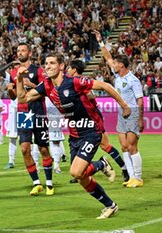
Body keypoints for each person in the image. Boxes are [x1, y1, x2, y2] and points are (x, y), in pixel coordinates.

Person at [17, 52, 131, 219]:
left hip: (91, 130)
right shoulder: (46, 85)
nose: (47, 66)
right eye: (46, 63)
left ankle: (100, 165)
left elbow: (105, 86)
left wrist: (124, 105)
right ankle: (110, 204)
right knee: (81, 177)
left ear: (61, 66)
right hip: (75, 134)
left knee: (76, 172)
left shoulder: (74, 82)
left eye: (52, 63)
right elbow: (22, 99)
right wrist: (19, 79)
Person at [95, 30, 144, 188]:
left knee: (132, 146)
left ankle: (138, 177)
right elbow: (107, 57)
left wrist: (141, 119)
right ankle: (130, 177)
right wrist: (100, 41)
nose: (112, 65)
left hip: (132, 112)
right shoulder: (118, 76)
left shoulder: (133, 80)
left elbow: (140, 101)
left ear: (121, 65)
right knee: (123, 146)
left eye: (115, 64)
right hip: (121, 113)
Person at [67, 59, 129, 184]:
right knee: (79, 145)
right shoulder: (70, 82)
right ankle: (80, 171)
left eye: (69, 68)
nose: (67, 70)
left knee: (105, 145)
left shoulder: (81, 82)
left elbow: (91, 95)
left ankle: (124, 168)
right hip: (79, 119)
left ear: (74, 70)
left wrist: (77, 97)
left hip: (92, 118)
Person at [6, 42, 54, 196]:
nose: (20, 53)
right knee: (25, 148)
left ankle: (49, 183)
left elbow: (46, 90)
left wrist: (29, 83)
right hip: (23, 113)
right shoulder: (13, 73)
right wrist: (10, 91)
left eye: (23, 50)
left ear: (29, 53)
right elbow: (15, 98)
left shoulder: (38, 70)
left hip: (38, 111)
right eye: (18, 51)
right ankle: (36, 183)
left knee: (43, 149)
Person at [45, 97, 66, 174]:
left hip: (53, 116)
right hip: (40, 115)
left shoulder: (55, 91)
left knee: (55, 141)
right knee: (36, 142)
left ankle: (56, 166)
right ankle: (36, 166)